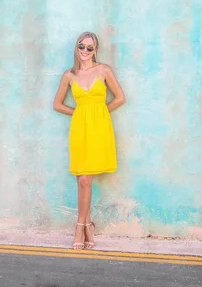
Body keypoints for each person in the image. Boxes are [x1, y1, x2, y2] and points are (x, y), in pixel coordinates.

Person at [53, 31, 126, 250]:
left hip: (99, 128)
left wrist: (102, 112)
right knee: (82, 179)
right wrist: (77, 113)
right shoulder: (69, 75)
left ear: (95, 50)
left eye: (89, 47)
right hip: (79, 128)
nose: (85, 51)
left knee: (86, 179)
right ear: (76, 48)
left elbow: (120, 97)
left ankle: (81, 226)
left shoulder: (103, 70)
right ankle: (84, 226)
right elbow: (57, 104)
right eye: (81, 46)